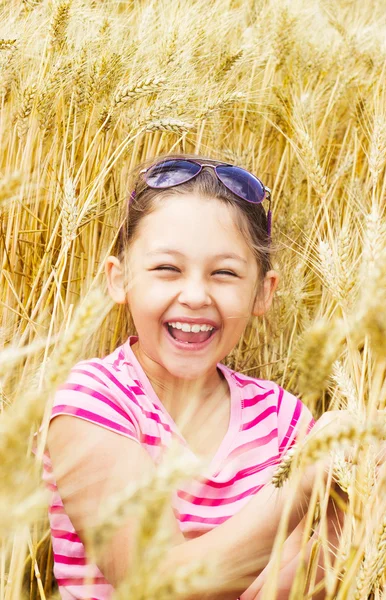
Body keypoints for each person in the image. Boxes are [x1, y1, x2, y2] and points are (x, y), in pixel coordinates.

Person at [45, 153, 338, 600]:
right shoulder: (92, 402)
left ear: (263, 291)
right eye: (167, 269)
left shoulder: (282, 419)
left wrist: (353, 511)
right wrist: (301, 483)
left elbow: (285, 588)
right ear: (119, 279)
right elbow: (155, 583)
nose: (196, 295)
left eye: (224, 273)